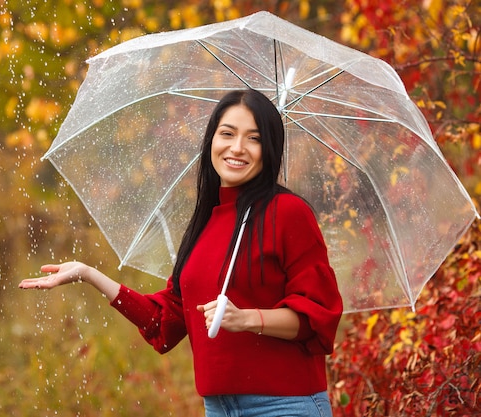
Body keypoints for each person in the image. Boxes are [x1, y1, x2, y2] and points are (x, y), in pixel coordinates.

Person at [19, 89, 343, 417]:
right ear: (211, 140)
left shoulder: (288, 213)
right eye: (227, 134)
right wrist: (89, 274)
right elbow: (165, 321)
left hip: (284, 406)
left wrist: (246, 318)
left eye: (253, 138)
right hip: (218, 408)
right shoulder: (206, 222)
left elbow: (315, 317)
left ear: (269, 149)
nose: (237, 148)